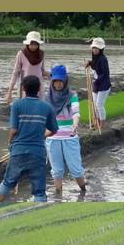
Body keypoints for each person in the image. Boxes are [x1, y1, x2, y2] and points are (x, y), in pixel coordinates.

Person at [0, 76, 58, 203]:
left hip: (19, 151)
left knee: (7, 183)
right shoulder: (47, 107)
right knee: (39, 190)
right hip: (38, 153)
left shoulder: (17, 105)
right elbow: (54, 130)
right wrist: (42, 136)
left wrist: (10, 142)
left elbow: (13, 130)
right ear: (39, 88)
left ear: (23, 88)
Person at [45, 65, 87, 198]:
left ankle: (84, 192)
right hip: (52, 139)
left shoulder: (72, 96)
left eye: (60, 81)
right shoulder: (47, 98)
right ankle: (58, 198)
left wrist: (75, 124)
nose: (58, 84)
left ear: (65, 80)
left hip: (69, 136)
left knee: (76, 169)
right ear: (52, 81)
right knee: (57, 171)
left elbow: (76, 113)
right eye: (55, 81)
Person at [5, 31, 47, 104]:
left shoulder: (42, 54)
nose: (33, 46)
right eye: (31, 44)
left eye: (36, 44)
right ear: (27, 43)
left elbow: (42, 71)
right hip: (25, 87)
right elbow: (16, 73)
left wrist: (55, 75)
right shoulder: (21, 54)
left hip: (38, 88)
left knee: (38, 109)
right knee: (24, 109)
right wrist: (9, 92)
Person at [83, 37, 111, 129]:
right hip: (96, 83)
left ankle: (102, 124)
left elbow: (105, 74)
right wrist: (89, 63)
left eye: (97, 48)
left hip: (103, 85)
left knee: (99, 104)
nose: (95, 50)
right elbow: (94, 64)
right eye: (94, 48)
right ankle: (97, 122)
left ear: (101, 49)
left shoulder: (103, 59)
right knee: (95, 104)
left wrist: (95, 80)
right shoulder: (95, 58)